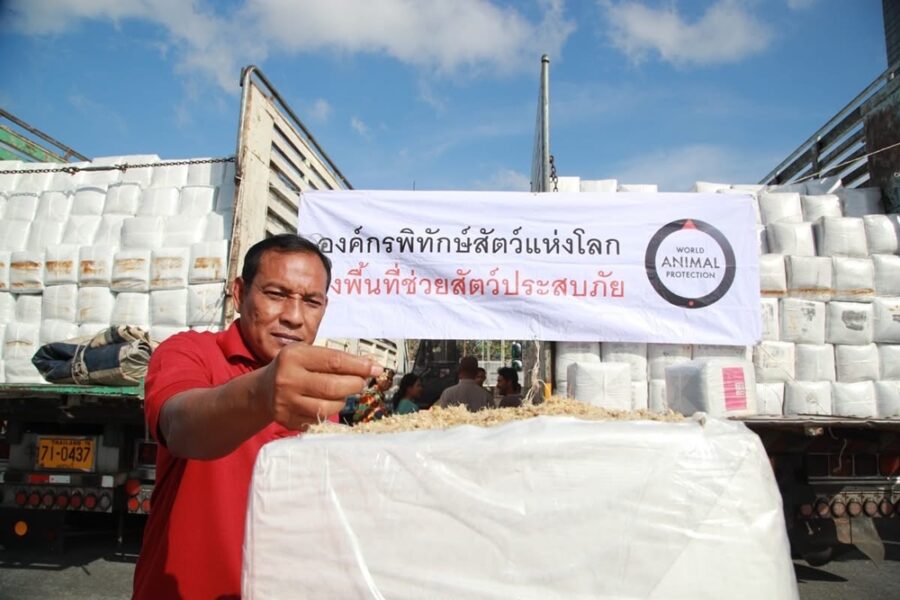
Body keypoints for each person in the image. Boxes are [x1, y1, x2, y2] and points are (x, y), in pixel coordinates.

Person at [133, 234, 381, 600]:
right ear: (239, 293)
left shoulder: (321, 393)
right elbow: (179, 426)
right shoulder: (190, 352)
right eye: (276, 294)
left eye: (311, 302)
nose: (294, 316)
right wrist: (261, 393)